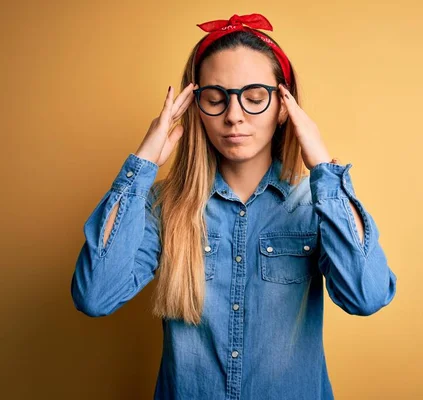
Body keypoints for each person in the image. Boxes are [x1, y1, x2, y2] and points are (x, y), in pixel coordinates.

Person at [70, 13, 397, 400]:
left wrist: (324, 168)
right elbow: (95, 295)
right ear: (196, 108)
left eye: (255, 98)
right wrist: (142, 165)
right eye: (215, 99)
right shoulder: (163, 205)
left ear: (283, 108)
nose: (234, 116)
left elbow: (367, 295)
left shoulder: (316, 204)